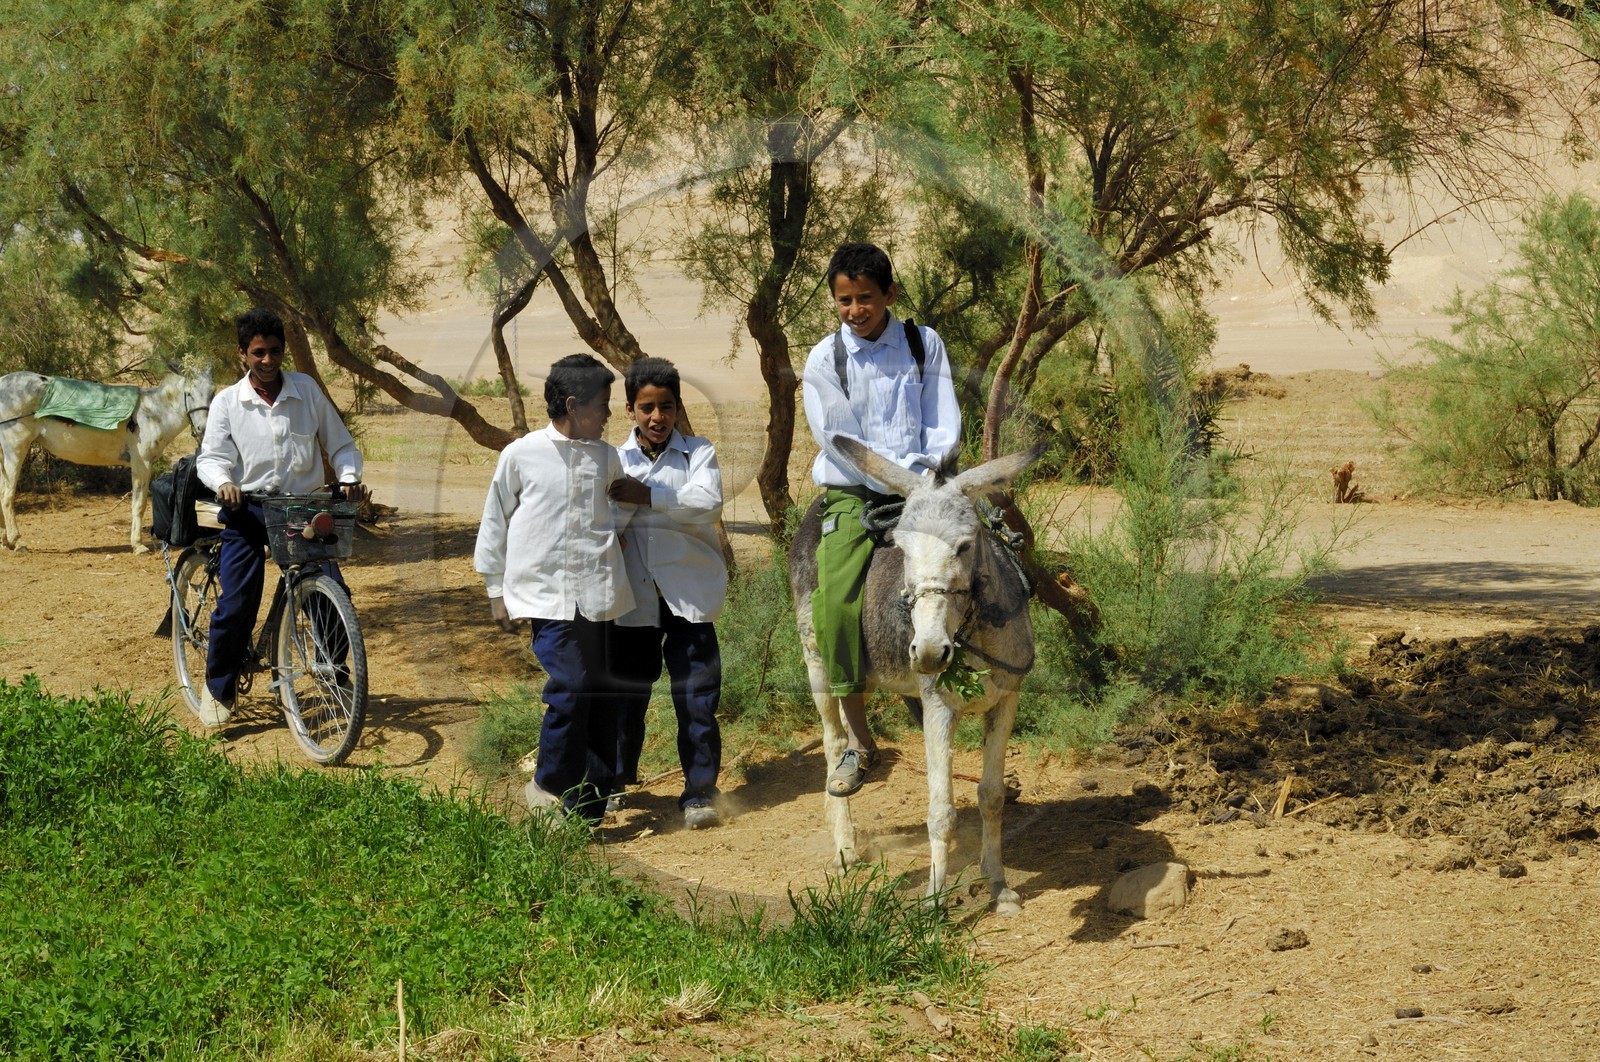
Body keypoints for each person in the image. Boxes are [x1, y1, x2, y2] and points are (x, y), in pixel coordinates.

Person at [801, 241, 961, 797]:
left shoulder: (923, 343)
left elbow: (943, 424)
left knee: (977, 569)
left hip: (925, 487)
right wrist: (891, 482)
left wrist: (921, 479)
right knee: (837, 599)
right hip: (854, 493)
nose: (854, 311)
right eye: (844, 300)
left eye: (865, 298)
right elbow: (838, 438)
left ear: (889, 294)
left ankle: (978, 701)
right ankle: (858, 739)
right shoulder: (826, 359)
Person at [475, 353, 636, 823]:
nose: (609, 414)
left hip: (599, 596)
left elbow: (620, 506)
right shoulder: (521, 455)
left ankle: (587, 811)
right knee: (571, 685)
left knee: (602, 696)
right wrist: (494, 589)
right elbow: (494, 520)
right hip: (545, 596)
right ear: (573, 404)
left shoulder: (608, 457)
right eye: (603, 404)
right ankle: (546, 784)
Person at [194, 307, 363, 727]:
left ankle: (333, 672)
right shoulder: (228, 402)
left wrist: (348, 476)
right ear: (242, 355)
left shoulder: (305, 391)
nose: (267, 361)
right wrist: (223, 482)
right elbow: (210, 458)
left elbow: (341, 445)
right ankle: (219, 688)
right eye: (258, 353)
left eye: (274, 351)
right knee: (237, 603)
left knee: (331, 595)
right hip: (247, 509)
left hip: (302, 510)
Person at [606, 357, 726, 830]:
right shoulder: (615, 460)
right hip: (634, 598)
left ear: (678, 408)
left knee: (696, 696)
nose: (658, 418)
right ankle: (614, 783)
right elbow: (607, 518)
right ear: (630, 409)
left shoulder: (699, 454)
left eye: (667, 407)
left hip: (689, 595)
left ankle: (699, 792)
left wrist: (648, 497)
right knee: (627, 694)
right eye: (647, 407)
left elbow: (708, 503)